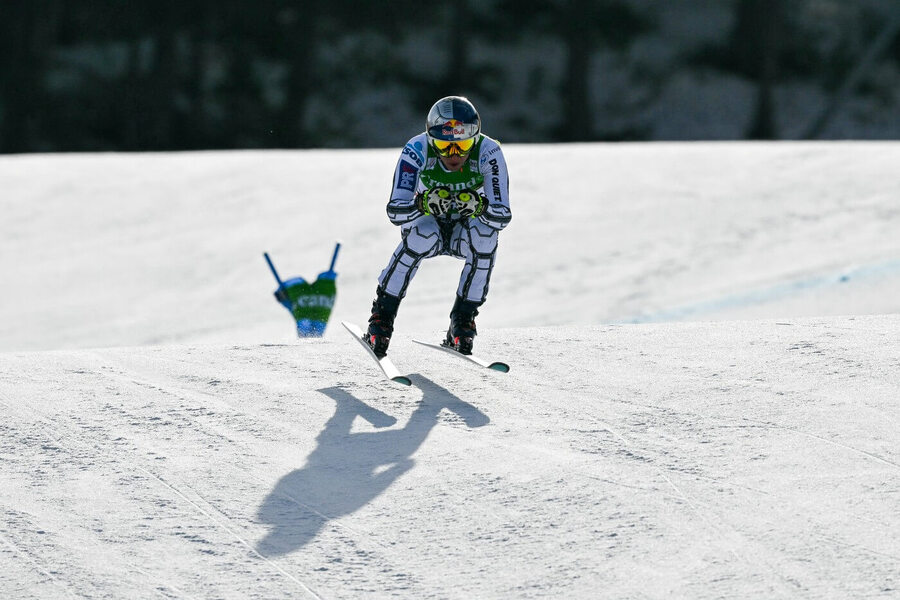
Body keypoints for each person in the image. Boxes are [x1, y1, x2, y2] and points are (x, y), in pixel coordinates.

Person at [365, 96, 511, 357]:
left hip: (463, 231)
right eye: (444, 145)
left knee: (485, 234)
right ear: (432, 140)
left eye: (463, 144)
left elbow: (502, 216)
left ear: (475, 138)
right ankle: (382, 317)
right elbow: (395, 211)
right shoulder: (417, 149)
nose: (454, 155)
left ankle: (463, 320)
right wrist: (422, 203)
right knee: (422, 234)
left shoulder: (489, 152)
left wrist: (479, 207)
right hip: (427, 224)